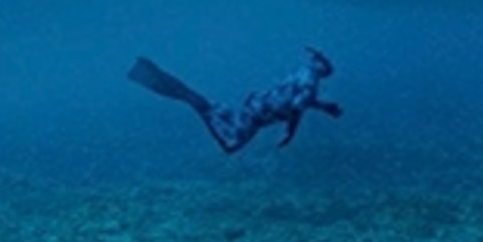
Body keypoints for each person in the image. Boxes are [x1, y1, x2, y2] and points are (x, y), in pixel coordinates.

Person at [128, 46, 340, 155]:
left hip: (256, 107)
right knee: (231, 144)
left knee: (210, 111)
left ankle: (152, 76)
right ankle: (194, 100)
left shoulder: (304, 72)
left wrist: (323, 106)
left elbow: (296, 99)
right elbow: (296, 105)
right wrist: (290, 133)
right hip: (256, 116)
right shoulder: (310, 82)